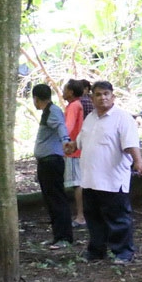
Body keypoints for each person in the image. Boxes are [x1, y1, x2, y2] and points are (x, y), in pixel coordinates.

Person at [65, 80, 142, 264]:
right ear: (91, 97)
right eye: (98, 94)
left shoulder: (122, 118)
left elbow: (131, 144)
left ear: (113, 97)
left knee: (118, 218)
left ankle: (123, 252)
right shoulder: (90, 118)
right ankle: (96, 250)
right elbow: (81, 140)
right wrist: (72, 146)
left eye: (106, 94)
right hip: (90, 179)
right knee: (94, 218)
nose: (102, 98)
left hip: (112, 179)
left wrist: (139, 162)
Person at [32, 84, 73, 249]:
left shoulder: (53, 111)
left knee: (57, 200)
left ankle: (64, 237)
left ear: (35, 98)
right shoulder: (48, 111)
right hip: (45, 162)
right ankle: (57, 236)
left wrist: (65, 141)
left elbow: (61, 127)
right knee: (50, 200)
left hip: (52, 162)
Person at [62, 79, 87, 228]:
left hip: (73, 151)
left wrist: (64, 142)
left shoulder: (73, 106)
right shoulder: (77, 104)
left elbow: (68, 127)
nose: (63, 91)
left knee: (77, 183)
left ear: (71, 92)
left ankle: (80, 216)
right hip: (77, 149)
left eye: (65, 89)